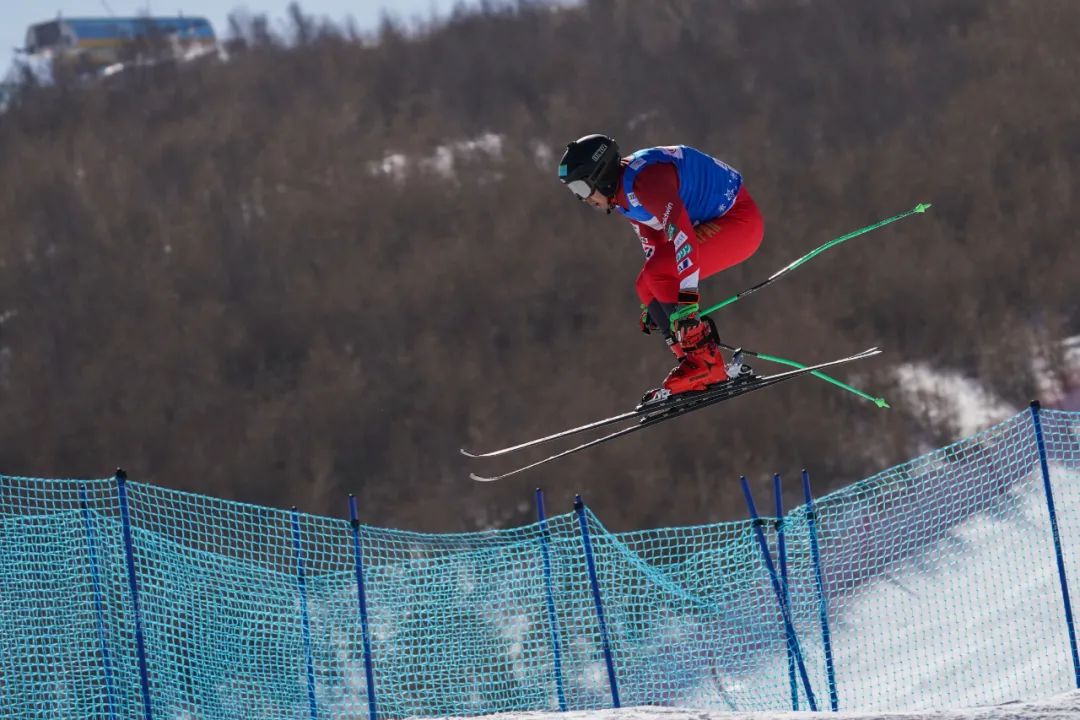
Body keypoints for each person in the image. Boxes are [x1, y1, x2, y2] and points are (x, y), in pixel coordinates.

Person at [558, 134, 765, 401]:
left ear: (600, 176)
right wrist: (659, 306)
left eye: (582, 190)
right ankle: (692, 362)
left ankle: (707, 365)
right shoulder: (622, 195)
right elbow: (655, 248)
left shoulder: (647, 182)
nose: (583, 199)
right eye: (576, 193)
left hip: (740, 223)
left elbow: (683, 236)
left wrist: (687, 301)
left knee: (658, 274)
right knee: (645, 286)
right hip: (715, 224)